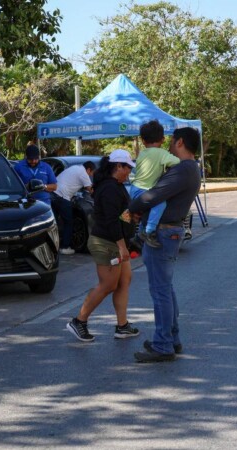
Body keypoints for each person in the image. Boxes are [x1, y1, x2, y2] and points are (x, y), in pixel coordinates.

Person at [129, 127, 202, 363]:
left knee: (160, 290)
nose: (168, 145)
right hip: (170, 230)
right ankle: (171, 338)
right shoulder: (190, 169)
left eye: (172, 141)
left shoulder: (183, 169)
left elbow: (153, 195)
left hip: (164, 232)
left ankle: (163, 344)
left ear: (180, 142)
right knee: (165, 288)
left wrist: (132, 207)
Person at [66, 149, 140, 342]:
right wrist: (123, 247)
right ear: (118, 166)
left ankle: (122, 326)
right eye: (127, 168)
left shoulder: (116, 186)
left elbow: (120, 214)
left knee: (124, 281)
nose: (129, 172)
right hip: (107, 243)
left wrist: (132, 216)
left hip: (116, 242)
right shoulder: (109, 189)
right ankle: (79, 321)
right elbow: (110, 221)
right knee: (108, 285)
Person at [130, 119, 180, 248]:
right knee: (160, 203)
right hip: (145, 191)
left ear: (143, 140)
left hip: (135, 189)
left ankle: (139, 235)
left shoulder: (142, 153)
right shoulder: (161, 154)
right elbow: (177, 162)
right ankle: (149, 232)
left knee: (148, 212)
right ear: (163, 139)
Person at [52, 161, 95, 255]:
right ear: (88, 169)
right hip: (63, 197)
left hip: (53, 194)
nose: (91, 175)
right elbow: (90, 190)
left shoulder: (75, 167)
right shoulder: (83, 174)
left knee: (54, 222)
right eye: (92, 172)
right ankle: (64, 247)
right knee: (68, 222)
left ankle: (52, 246)